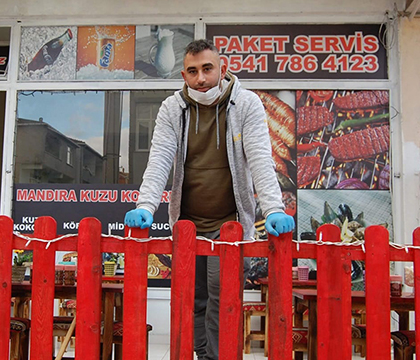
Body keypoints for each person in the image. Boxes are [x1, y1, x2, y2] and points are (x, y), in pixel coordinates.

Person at [124, 39, 294, 359]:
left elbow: (259, 157)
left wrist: (273, 208)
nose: (201, 78)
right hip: (187, 224)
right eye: (192, 71)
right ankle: (198, 355)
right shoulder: (173, 108)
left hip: (228, 224)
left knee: (221, 297)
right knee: (194, 297)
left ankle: (216, 357)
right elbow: (160, 158)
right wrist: (146, 204)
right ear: (184, 76)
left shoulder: (246, 104)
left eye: (207, 68)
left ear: (223, 68)